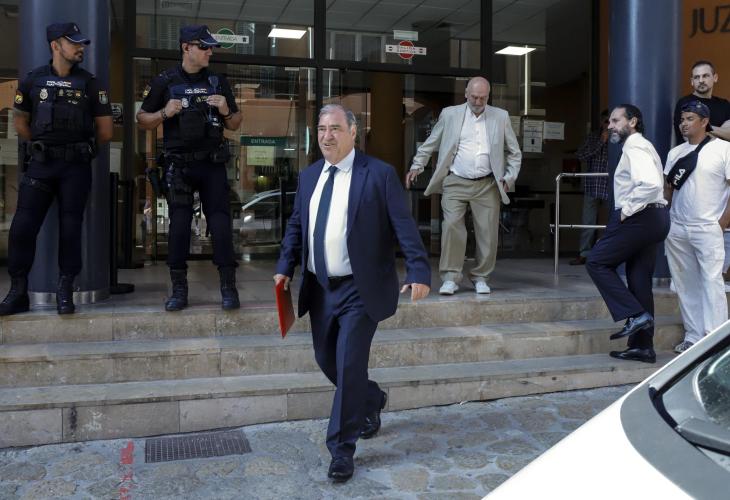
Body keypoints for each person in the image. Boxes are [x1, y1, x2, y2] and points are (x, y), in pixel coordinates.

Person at [274, 104, 430, 482]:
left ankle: (341, 450)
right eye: (321, 129)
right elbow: (297, 225)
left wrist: (418, 270)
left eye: (335, 128)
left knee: (347, 365)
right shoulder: (310, 176)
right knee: (326, 359)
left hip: (360, 289)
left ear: (353, 132)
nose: (327, 136)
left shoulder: (378, 174)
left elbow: (403, 225)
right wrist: (284, 266)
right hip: (320, 287)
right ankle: (371, 398)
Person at [0, 22, 113, 316]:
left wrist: (78, 149)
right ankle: (18, 291)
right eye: (73, 42)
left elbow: (105, 132)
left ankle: (66, 289)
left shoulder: (91, 84)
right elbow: (20, 122)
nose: (80, 47)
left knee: (71, 228)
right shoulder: (33, 80)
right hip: (41, 165)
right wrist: (42, 146)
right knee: (23, 227)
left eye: (81, 42)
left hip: (75, 167)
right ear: (55, 45)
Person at [136, 25, 242, 311]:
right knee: (180, 226)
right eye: (204, 46)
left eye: (211, 47)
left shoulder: (217, 81)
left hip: (212, 163)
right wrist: (164, 112)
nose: (210, 52)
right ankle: (179, 289)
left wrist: (225, 110)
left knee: (220, 224)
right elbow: (142, 119)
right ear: (186, 48)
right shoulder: (165, 81)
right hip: (180, 165)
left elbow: (235, 123)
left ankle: (228, 287)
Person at [405, 77, 521, 295]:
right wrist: (417, 165)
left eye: (483, 98)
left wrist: (509, 177)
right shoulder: (450, 114)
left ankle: (481, 277)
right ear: (466, 94)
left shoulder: (501, 117)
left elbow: (514, 152)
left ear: (488, 96)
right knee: (451, 227)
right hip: (455, 181)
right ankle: (450, 277)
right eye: (474, 97)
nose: (478, 102)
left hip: (487, 183)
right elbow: (432, 142)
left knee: (488, 234)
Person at [586, 104, 670, 364]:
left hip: (639, 217)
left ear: (632, 122)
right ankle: (642, 347)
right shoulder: (643, 146)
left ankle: (635, 314)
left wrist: (626, 211)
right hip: (654, 218)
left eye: (615, 121)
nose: (610, 125)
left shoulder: (635, 147)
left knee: (596, 262)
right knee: (639, 279)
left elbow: (651, 184)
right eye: (609, 121)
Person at [664, 101, 730, 354]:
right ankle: (693, 338)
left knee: (712, 283)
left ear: (704, 122)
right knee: (685, 284)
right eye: (682, 119)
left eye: (690, 119)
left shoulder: (723, 149)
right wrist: (667, 220)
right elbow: (668, 189)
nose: (684, 124)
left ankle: (714, 342)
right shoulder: (675, 153)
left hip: (708, 227)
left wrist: (722, 222)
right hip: (677, 228)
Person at [570, 110, 610, 265]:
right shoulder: (593, 137)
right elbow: (581, 155)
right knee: (588, 222)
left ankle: (607, 255)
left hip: (611, 186)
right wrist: (601, 142)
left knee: (612, 222)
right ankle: (584, 253)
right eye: (606, 121)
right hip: (593, 185)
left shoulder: (619, 138)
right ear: (601, 122)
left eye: (611, 121)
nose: (608, 125)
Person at [673, 61, 730, 142]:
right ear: (692, 81)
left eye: (705, 76)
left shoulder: (724, 105)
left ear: (715, 78)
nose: (701, 80)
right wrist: (721, 133)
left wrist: (704, 128)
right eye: (696, 77)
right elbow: (692, 137)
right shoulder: (685, 103)